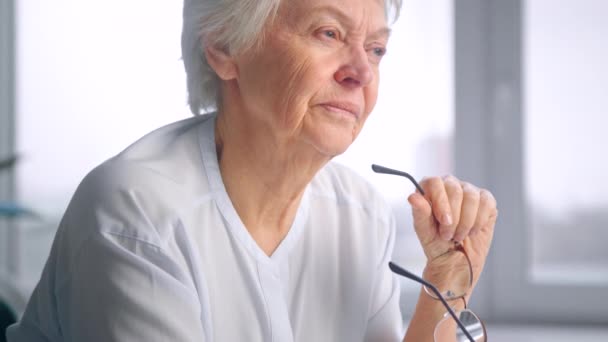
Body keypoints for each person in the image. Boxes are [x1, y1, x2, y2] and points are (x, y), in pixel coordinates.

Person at [7, 0, 497, 340]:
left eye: (376, 49)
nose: (361, 73)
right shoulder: (137, 212)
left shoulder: (362, 214)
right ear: (223, 46)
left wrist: (447, 283)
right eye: (328, 33)